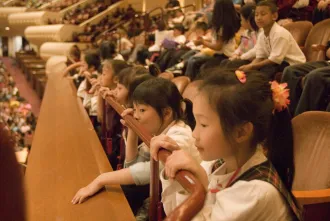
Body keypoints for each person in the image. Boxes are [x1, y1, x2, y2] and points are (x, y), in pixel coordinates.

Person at [150, 70, 302, 220]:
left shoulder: (255, 192)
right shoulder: (218, 163)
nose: (194, 134)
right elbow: (174, 211)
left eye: (203, 124)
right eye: (195, 122)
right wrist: (175, 166)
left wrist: (201, 186)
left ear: (241, 132)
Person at [72, 78, 199, 217]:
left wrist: (101, 179)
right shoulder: (158, 129)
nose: (136, 115)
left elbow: (145, 172)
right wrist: (132, 130)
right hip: (166, 200)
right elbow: (132, 164)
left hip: (183, 211)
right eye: (135, 109)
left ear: (166, 113)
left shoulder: (180, 136)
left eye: (142, 110)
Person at [238, 1, 306, 79]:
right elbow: (260, 57)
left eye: (263, 14)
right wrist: (249, 67)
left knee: (267, 69)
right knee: (247, 69)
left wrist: (252, 66)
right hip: (277, 63)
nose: (259, 18)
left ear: (274, 16)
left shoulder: (280, 33)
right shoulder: (262, 34)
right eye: (256, 15)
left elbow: (274, 60)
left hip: (293, 65)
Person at [184, 0, 240, 80]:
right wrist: (204, 39)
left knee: (196, 62)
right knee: (193, 59)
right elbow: (216, 41)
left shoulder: (222, 26)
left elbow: (218, 47)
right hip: (221, 54)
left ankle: (190, 82)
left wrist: (203, 42)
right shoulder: (225, 23)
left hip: (224, 56)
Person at [281, 45, 330, 116]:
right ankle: (286, 115)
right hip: (327, 63)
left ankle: (302, 120)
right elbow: (328, 51)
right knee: (290, 71)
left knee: (315, 76)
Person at [218, 3, 259, 69]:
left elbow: (256, 50)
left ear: (248, 20)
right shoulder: (246, 32)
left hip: (253, 61)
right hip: (244, 58)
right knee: (224, 62)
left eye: (242, 20)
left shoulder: (259, 33)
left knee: (230, 65)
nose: (241, 22)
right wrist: (235, 54)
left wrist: (241, 57)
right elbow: (241, 47)